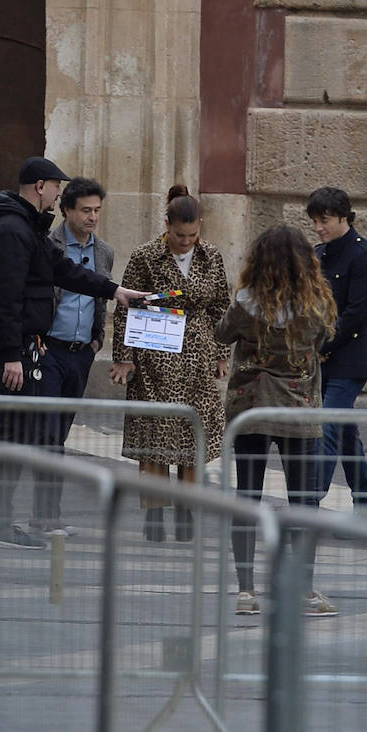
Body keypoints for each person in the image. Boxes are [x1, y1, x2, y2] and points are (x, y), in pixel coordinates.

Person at [0, 157, 148, 550]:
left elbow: (64, 270)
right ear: (40, 186)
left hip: (22, 350)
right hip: (12, 354)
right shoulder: (11, 230)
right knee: (8, 438)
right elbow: (4, 300)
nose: (58, 194)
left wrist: (114, 291)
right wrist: (12, 354)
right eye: (56, 187)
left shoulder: (27, 228)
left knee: (8, 436)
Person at [216, 225, 340, 617]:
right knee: (302, 502)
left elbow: (222, 335)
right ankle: (302, 589)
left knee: (247, 497)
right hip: (298, 408)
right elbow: (319, 343)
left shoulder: (245, 302)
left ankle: (246, 590)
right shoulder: (316, 304)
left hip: (251, 406)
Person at [110, 185, 231, 543]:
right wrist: (124, 358)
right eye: (180, 236)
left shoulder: (211, 256)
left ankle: (186, 508)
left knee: (192, 431)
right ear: (167, 225)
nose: (186, 242)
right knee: (156, 432)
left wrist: (221, 353)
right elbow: (125, 308)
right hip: (154, 356)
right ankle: (154, 509)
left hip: (198, 357)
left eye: (192, 236)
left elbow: (221, 306)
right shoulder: (146, 256)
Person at [31, 177, 115, 536]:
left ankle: (48, 514)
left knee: (60, 433)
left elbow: (100, 298)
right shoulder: (49, 245)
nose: (92, 217)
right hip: (50, 348)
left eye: (97, 210)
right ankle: (45, 516)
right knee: (48, 435)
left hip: (81, 353)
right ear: (66, 210)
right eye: (85, 210)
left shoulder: (104, 251)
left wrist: (98, 340)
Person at [306, 187, 367, 510]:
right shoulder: (318, 254)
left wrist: (324, 345)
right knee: (346, 432)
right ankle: (365, 504)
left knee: (327, 426)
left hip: (350, 360)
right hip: (321, 357)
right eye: (314, 221)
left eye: (324, 221)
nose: (318, 228)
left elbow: (356, 313)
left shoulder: (365, 255)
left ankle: (309, 501)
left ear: (343, 217)